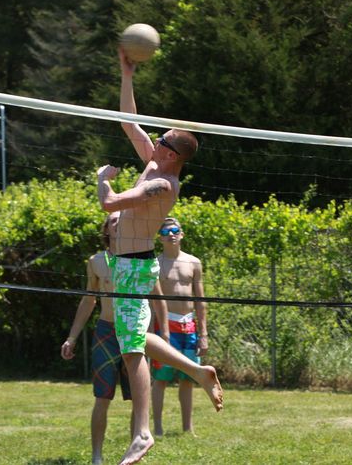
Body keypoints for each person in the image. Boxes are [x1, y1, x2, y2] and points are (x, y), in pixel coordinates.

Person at [95, 48, 222, 465]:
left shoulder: (163, 184)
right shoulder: (154, 163)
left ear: (171, 155)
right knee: (133, 338)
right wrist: (126, 76)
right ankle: (198, 371)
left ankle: (143, 433)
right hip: (125, 262)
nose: (156, 139)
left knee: (133, 352)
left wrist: (102, 182)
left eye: (162, 140)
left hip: (132, 265)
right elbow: (128, 122)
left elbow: (111, 204)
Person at [61, 211, 134, 465]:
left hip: (133, 331)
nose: (118, 223)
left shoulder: (139, 259)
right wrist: (72, 337)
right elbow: (88, 300)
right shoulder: (96, 261)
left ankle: (134, 455)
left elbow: (155, 298)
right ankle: (96, 457)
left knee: (138, 396)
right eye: (113, 220)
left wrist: (163, 334)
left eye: (123, 220)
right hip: (106, 331)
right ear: (107, 230)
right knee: (102, 397)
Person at [151, 217, 208, 436]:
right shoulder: (155, 263)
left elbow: (201, 300)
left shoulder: (193, 262)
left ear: (182, 234)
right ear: (160, 237)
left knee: (188, 378)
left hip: (189, 327)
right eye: (165, 232)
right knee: (161, 378)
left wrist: (203, 333)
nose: (171, 234)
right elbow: (150, 300)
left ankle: (187, 428)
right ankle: (157, 428)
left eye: (175, 230)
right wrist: (149, 332)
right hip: (164, 326)